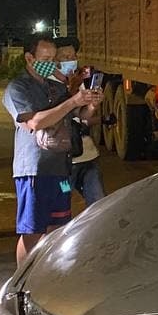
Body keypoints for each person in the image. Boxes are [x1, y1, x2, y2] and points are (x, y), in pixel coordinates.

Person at [3, 34, 102, 263]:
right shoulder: (18, 88)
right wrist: (72, 101)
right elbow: (34, 122)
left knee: (58, 227)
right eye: (45, 59)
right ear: (29, 58)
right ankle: (24, 278)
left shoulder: (55, 87)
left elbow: (82, 115)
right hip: (34, 170)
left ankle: (48, 273)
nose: (50, 64)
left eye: (52, 59)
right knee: (32, 230)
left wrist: (92, 104)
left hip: (61, 169)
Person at [52, 37, 106, 206]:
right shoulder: (49, 86)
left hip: (87, 157)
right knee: (62, 201)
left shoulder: (77, 81)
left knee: (98, 201)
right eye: (65, 57)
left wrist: (93, 105)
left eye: (73, 56)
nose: (71, 60)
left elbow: (83, 116)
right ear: (55, 61)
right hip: (63, 165)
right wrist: (72, 89)